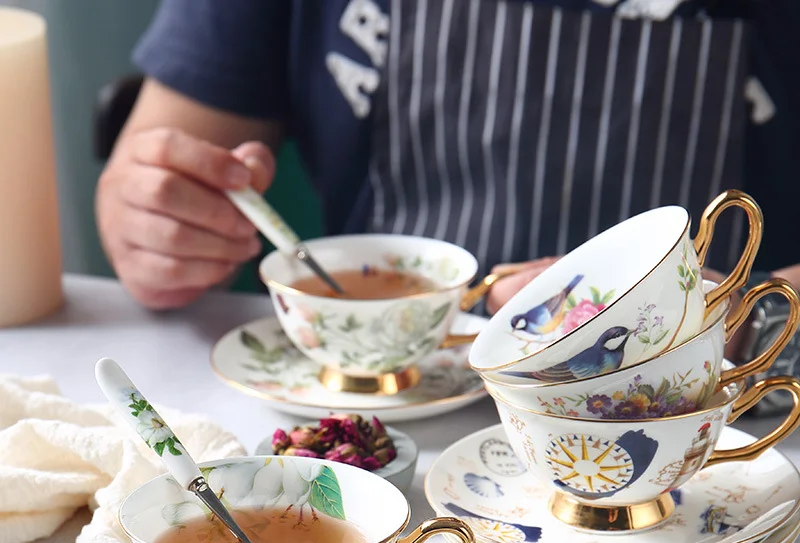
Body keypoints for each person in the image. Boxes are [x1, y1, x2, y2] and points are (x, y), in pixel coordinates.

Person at [96, 0, 800, 316]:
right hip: (388, 424)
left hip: (728, 421)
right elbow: (163, 156)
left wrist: (745, 316)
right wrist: (154, 221)